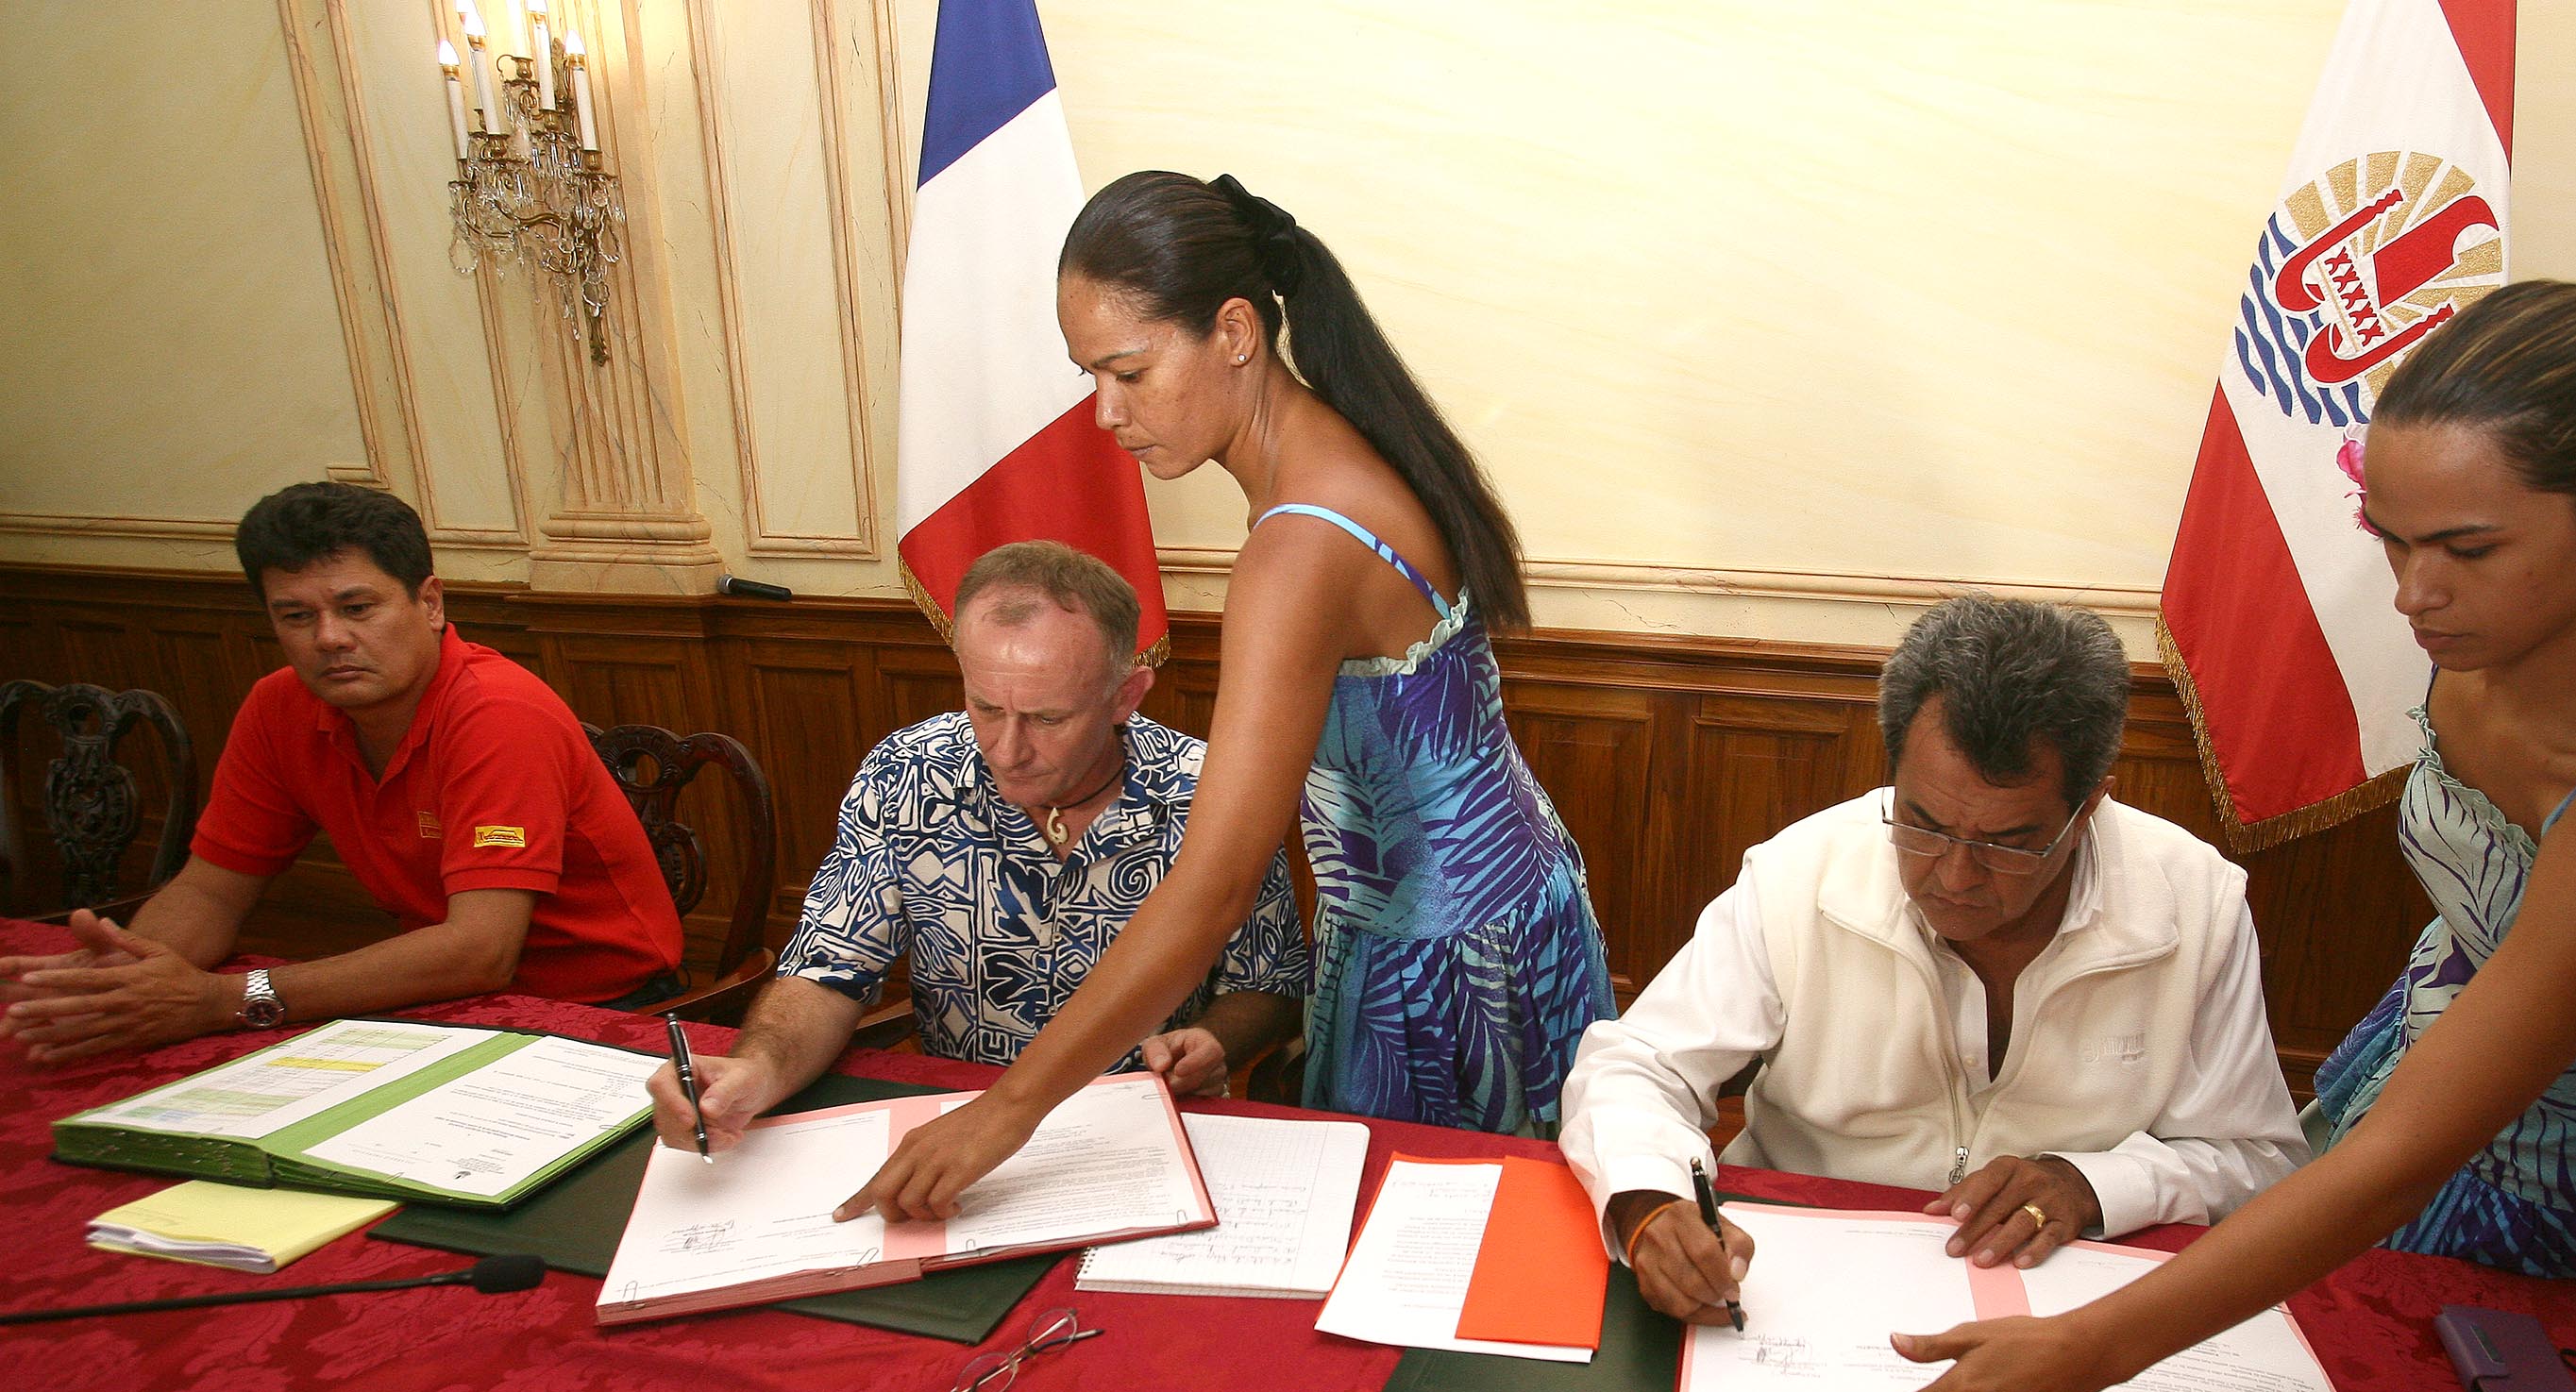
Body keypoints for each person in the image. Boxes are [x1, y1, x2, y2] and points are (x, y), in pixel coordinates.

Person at [1851, 280, 2576, 1392]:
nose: (2415, 595)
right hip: (2401, 1096)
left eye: (2467, 548)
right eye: (2393, 540)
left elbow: (2416, 1149)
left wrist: (2085, 1354)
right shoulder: (2490, 645)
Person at [830, 169, 1614, 1224]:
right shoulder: (1346, 450)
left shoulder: (1301, 544)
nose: (1106, 413)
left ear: (1236, 332)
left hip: (1442, 962)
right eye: (1091, 376)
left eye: (1130, 372)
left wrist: (1005, 1112)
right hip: (1512, 905)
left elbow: (1215, 888)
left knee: (1446, 1255)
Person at [1560, 595, 2304, 1323]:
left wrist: (2095, 1183)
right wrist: (1650, 1200)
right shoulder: (1802, 873)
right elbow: (1635, 1067)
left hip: (2068, 1310)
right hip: (1796, 1283)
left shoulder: (2193, 903)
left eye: (2008, 843)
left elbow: (2262, 1162)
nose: (1953, 875)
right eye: (1922, 823)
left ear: (2087, 811)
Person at [647, 542, 1308, 1148]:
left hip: (1142, 1129)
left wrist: (1212, 1040)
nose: (1008, 750)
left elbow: (1270, 988)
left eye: (1048, 718)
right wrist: (756, 1071)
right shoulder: (908, 774)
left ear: (1125, 695)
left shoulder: (1211, 794)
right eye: (986, 707)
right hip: (957, 1125)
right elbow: (829, 971)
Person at [0, 483, 687, 1064]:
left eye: (357, 609)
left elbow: (480, 950)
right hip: (445, 1003)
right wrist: (129, 978)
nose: (328, 638)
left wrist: (222, 999)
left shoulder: (497, 711)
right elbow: (211, 890)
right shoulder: (279, 706)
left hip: (604, 1013)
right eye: (297, 616)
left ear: (430, 603)